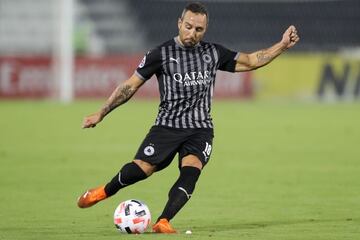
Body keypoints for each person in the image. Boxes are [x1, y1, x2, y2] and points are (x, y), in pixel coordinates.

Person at [77, 1, 299, 233]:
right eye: (189, 26)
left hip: (200, 129)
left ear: (205, 30)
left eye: (199, 29)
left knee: (191, 171)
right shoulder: (160, 54)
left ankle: (163, 221)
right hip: (167, 126)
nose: (192, 33)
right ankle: (103, 191)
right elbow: (129, 87)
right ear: (180, 23)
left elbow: (252, 60)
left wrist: (282, 45)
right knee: (142, 169)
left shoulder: (213, 53)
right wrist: (101, 112)